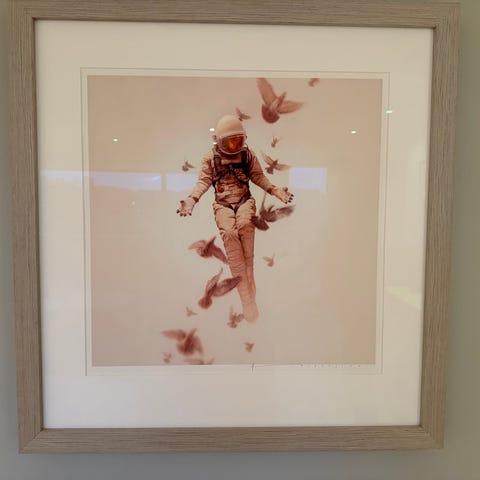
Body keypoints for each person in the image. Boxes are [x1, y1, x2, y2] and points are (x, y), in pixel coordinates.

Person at [177, 115, 293, 322]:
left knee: (246, 226)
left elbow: (258, 176)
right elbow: (204, 181)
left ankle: (249, 290)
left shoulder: (247, 155)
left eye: (238, 141)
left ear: (243, 140)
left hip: (244, 201)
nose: (234, 147)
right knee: (230, 235)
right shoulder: (210, 158)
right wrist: (192, 200)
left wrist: (275, 190)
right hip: (223, 205)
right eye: (229, 142)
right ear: (218, 141)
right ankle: (247, 298)